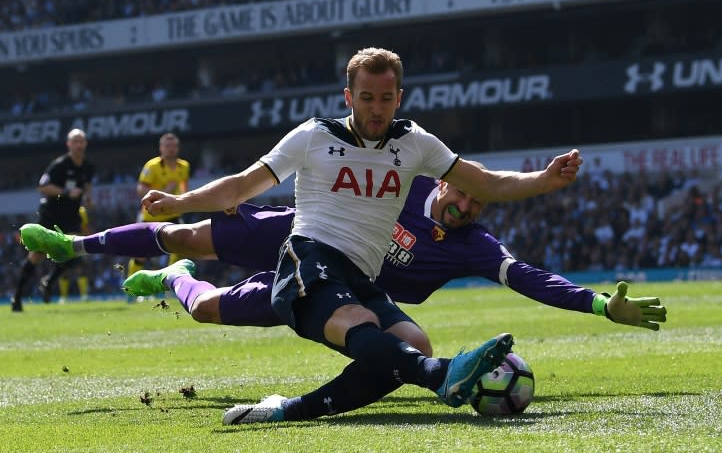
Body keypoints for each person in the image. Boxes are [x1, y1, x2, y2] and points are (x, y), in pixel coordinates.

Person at [27, 47, 581, 420]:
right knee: (357, 324)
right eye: (366, 98)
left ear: (399, 99)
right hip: (307, 256)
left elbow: (485, 181)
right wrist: (179, 202)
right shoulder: (313, 137)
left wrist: (543, 180)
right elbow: (240, 186)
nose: (376, 109)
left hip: (359, 273)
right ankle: (441, 379)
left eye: (386, 99)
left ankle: (289, 408)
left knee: (410, 343)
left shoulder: (416, 144)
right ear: (349, 97)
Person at [20, 175, 667, 423]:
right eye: (463, 195)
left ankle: (174, 280)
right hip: (305, 233)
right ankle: (73, 243)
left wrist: (600, 304)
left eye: (478, 205)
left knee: (206, 308)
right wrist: (244, 192)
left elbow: (529, 277)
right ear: (447, 183)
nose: (466, 206)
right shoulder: (409, 182)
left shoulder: (476, 246)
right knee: (185, 230)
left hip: (343, 291)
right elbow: (335, 170)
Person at [11, 128, 94, 312]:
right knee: (36, 256)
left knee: (76, 251)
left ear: (85, 144)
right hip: (51, 214)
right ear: (69, 144)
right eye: (76, 141)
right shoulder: (59, 165)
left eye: (82, 141)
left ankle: (49, 280)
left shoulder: (88, 167)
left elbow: (87, 186)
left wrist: (87, 198)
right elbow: (42, 187)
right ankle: (17, 298)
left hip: (72, 217)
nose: (79, 144)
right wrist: (66, 192)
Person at [127, 132, 189, 278]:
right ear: (161, 148)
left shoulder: (184, 166)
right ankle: (131, 290)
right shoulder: (152, 166)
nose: (171, 149)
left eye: (174, 146)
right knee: (140, 254)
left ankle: (169, 282)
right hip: (151, 215)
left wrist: (182, 200)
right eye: (167, 146)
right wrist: (164, 192)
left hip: (173, 214)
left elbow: (185, 187)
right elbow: (141, 190)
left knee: (180, 248)